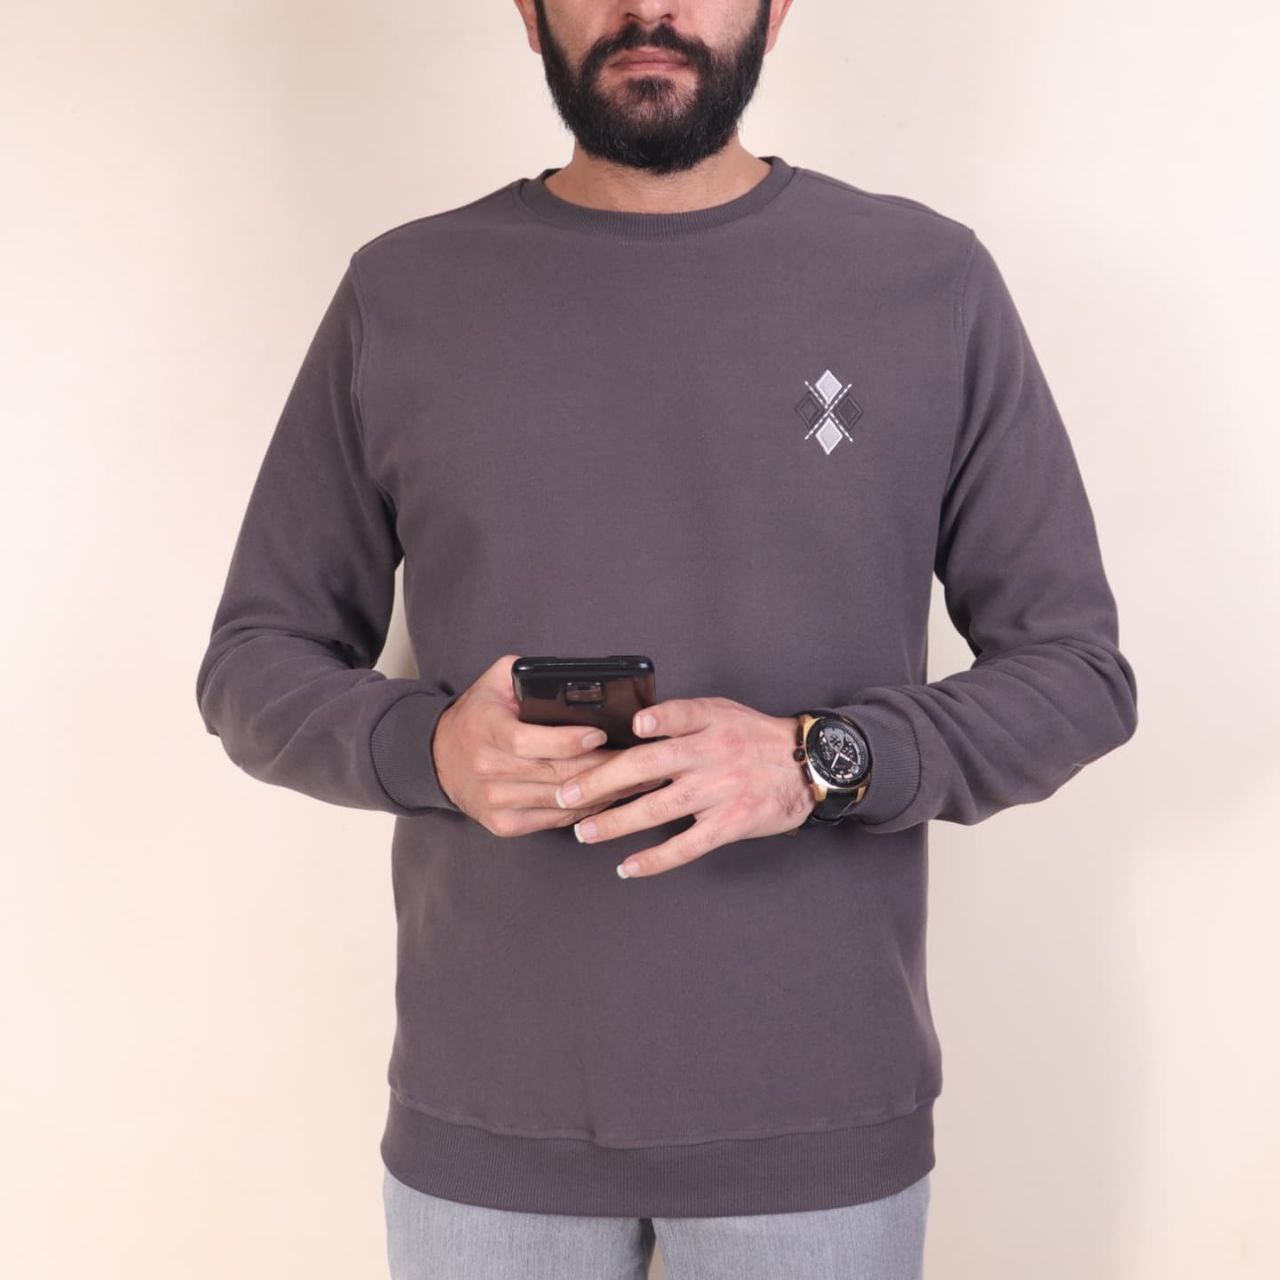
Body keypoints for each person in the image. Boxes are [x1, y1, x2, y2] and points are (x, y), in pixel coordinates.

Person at [195, 1, 1139, 1275]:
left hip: (817, 1121)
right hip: (486, 1123)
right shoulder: (402, 292)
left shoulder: (926, 280)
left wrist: (818, 757)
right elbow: (253, 659)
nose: (652, 9)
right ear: (528, 12)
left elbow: (1075, 672)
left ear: (775, 9)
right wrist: (430, 748)